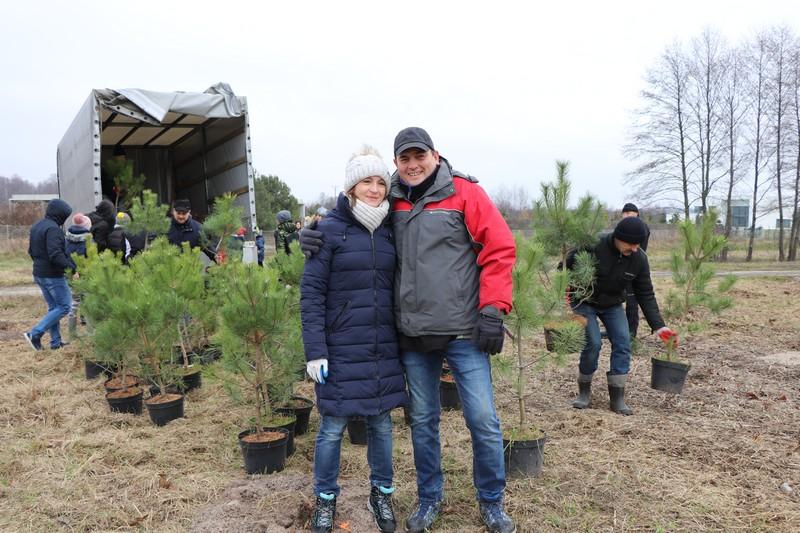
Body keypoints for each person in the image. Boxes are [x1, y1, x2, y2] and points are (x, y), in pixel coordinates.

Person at [302, 127, 516, 533]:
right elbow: (351, 217)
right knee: (422, 421)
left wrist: (493, 308)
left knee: (483, 420)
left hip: (463, 331)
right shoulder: (392, 199)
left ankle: (492, 502)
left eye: (420, 156)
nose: (413, 165)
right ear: (396, 163)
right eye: (405, 158)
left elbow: (500, 248)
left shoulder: (465, 193)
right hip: (414, 336)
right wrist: (313, 231)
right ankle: (429, 498)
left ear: (436, 155)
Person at [301, 146, 407, 533]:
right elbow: (311, 295)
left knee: (381, 425)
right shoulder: (328, 231)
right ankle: (325, 499)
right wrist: (315, 351)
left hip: (382, 346)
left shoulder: (393, 229)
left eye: (380, 181)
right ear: (351, 188)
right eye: (366, 182)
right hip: (341, 347)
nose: (375, 189)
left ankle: (381, 493)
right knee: (332, 427)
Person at [566, 216, 675, 416]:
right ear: (618, 237)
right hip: (584, 302)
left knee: (623, 342)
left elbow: (645, 293)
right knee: (593, 343)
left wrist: (659, 326)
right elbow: (565, 267)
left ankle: (617, 397)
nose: (634, 248)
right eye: (631, 243)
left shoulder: (639, 259)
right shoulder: (593, 246)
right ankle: (584, 391)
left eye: (638, 244)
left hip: (612, 304)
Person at [24, 199, 77, 351]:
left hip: (39, 273)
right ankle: (35, 334)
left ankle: (55, 342)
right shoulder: (54, 229)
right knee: (65, 306)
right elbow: (56, 254)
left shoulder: (37, 226)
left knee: (54, 307)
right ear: (60, 215)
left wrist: (40, 265)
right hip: (52, 275)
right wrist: (71, 268)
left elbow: (31, 251)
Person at [620, 203, 651, 338]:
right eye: (625, 213)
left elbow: (638, 251)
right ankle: (621, 329)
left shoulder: (641, 227)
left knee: (632, 300)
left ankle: (631, 332)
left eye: (630, 213)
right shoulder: (623, 227)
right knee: (621, 301)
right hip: (622, 268)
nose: (627, 215)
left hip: (634, 268)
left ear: (637, 214)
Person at [65, 212, 92, 334]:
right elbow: (91, 257)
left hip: (70, 273)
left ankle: (72, 332)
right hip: (84, 273)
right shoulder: (89, 239)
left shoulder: (66, 238)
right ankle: (90, 331)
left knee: (74, 301)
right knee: (87, 301)